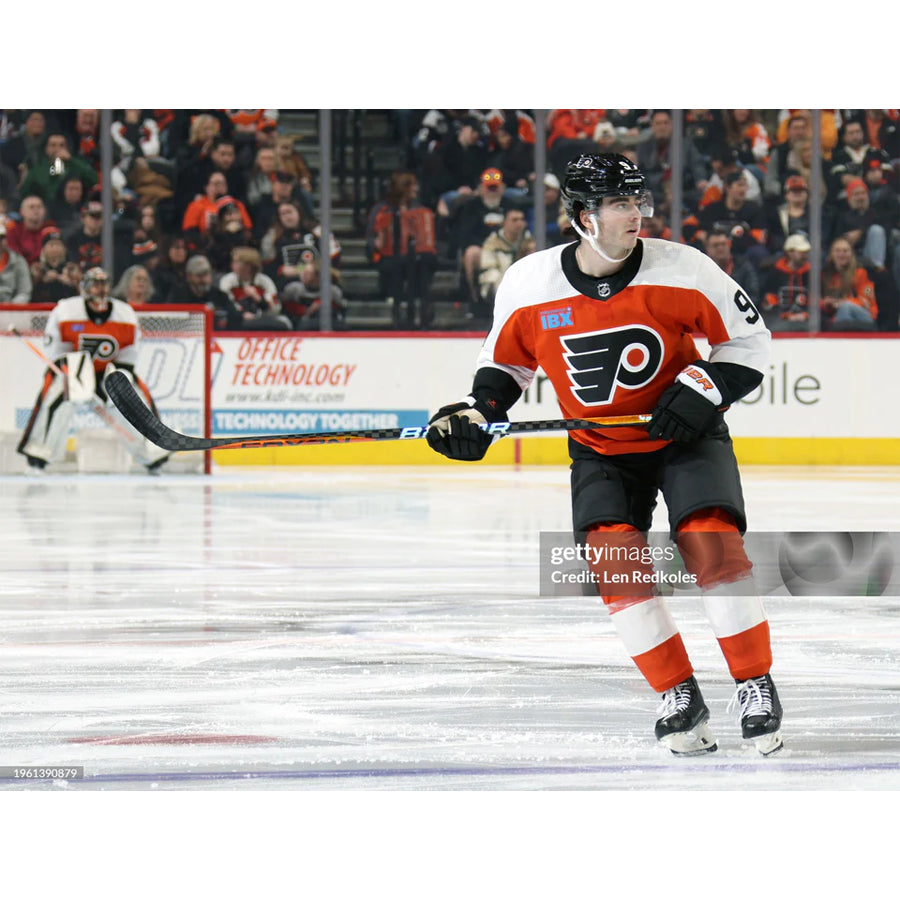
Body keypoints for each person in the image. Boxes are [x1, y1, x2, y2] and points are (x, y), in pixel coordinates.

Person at [426, 152, 783, 757]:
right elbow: (506, 368)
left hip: (684, 436)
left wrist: (703, 388)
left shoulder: (684, 269)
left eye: (638, 201)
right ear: (582, 215)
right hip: (600, 449)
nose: (636, 215)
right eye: (620, 204)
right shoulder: (529, 283)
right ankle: (679, 695)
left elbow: (749, 342)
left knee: (710, 540)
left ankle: (754, 683)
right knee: (616, 564)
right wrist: (474, 414)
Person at [16, 266, 170, 474]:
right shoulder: (66, 310)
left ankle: (152, 454)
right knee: (55, 393)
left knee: (136, 396)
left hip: (110, 370)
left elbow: (129, 355)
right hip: (74, 368)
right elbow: (56, 352)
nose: (100, 290)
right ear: (85, 288)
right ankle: (38, 455)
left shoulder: (125, 313)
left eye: (103, 284)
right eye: (95, 285)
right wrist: (76, 376)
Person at [365, 171, 438, 328]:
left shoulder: (418, 208)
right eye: (413, 185)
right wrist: (377, 242)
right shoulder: (382, 209)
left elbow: (425, 234)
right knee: (400, 264)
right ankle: (401, 309)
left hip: (414, 256)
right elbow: (371, 239)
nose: (416, 189)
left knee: (424, 260)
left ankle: (424, 308)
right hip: (389, 255)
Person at [262, 199, 345, 329]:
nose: (287, 217)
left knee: (334, 290)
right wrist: (293, 270)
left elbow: (334, 256)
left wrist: (307, 269)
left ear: (299, 213)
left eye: (289, 212)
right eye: (282, 214)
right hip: (288, 283)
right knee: (292, 290)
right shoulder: (274, 237)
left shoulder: (315, 231)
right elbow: (270, 266)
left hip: (318, 278)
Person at [218, 246, 291, 330]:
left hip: (263, 318)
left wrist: (258, 299)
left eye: (237, 262)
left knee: (284, 322)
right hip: (238, 318)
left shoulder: (264, 281)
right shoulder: (228, 281)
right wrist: (242, 314)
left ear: (249, 265)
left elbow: (275, 309)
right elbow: (227, 304)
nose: (232, 265)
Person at [477, 207, 535, 308]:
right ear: (504, 223)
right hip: (499, 282)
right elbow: (488, 266)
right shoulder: (493, 242)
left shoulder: (530, 241)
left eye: (521, 219)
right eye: (514, 220)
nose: (519, 223)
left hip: (524, 282)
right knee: (493, 276)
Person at [20, 132, 97, 205]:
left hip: (75, 210)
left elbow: (93, 180)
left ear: (67, 148)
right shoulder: (37, 170)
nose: (57, 149)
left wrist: (71, 160)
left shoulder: (76, 165)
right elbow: (25, 194)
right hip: (48, 212)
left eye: (61, 145)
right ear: (46, 149)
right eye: (53, 145)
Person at [820, 236, 878, 331]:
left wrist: (842, 303)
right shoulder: (825, 275)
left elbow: (867, 299)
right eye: (837, 251)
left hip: (865, 316)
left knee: (845, 307)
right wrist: (825, 303)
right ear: (831, 254)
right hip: (837, 316)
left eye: (845, 251)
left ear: (851, 254)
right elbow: (815, 300)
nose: (841, 254)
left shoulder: (862, 274)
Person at [760, 233, 811, 332]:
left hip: (805, 319)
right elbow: (769, 301)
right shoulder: (775, 273)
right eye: (801, 252)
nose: (805, 255)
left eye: (806, 252)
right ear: (789, 252)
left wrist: (805, 314)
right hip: (780, 319)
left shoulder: (811, 273)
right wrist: (786, 316)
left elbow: (815, 301)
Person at [178, 254, 242, 330]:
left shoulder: (220, 296)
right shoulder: (179, 296)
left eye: (206, 274)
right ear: (189, 277)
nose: (203, 280)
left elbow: (235, 319)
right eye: (199, 275)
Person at [702, 228, 760, 305]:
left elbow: (753, 296)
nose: (720, 248)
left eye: (723, 244)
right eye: (715, 245)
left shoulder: (744, 267)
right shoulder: (701, 270)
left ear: (729, 245)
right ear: (707, 248)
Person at [30, 228, 80, 304]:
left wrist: (70, 284)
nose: (55, 249)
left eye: (58, 245)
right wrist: (42, 281)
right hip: (41, 309)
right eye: (52, 245)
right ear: (43, 249)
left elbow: (81, 291)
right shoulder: (36, 268)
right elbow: (28, 290)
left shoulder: (72, 268)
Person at [6, 194, 55, 266]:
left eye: (39, 207)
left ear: (45, 211)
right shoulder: (14, 230)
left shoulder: (50, 228)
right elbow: (13, 256)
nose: (36, 210)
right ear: (21, 212)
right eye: (31, 207)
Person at [0, 221, 32, 303]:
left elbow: (24, 292)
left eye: (1, 238)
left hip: (11, 309)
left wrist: (10, 306)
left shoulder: (19, 261)